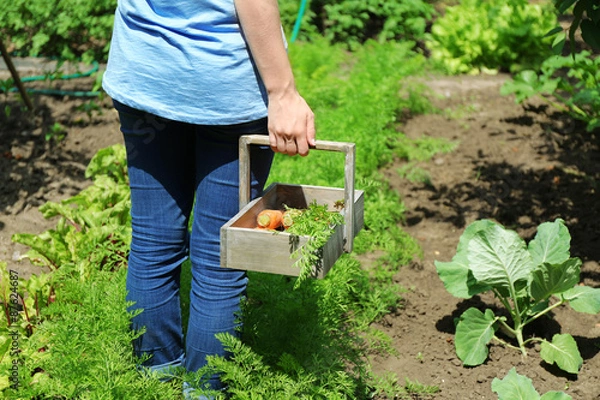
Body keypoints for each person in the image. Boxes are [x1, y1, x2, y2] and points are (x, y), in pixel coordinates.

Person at [102, 0, 315, 397]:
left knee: (153, 243)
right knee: (221, 258)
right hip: (224, 87)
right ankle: (203, 391)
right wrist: (282, 91)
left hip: (146, 71)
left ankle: (155, 385)